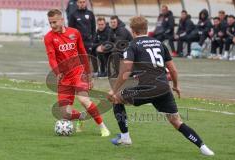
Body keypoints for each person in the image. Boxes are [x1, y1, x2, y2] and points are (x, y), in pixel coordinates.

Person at [107, 16, 214, 156]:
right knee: (177, 122)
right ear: (146, 29)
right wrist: (176, 86)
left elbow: (125, 71)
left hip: (145, 89)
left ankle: (125, 137)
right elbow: (173, 70)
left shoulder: (132, 45)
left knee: (116, 99)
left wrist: (113, 90)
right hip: (163, 89)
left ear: (132, 31)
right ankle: (203, 147)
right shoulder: (160, 43)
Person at [44, 9, 110, 137]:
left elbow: (83, 54)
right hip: (63, 77)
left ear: (62, 20)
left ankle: (103, 128)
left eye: (54, 22)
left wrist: (89, 75)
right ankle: (81, 116)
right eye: (50, 23)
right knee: (65, 114)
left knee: (83, 99)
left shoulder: (74, 33)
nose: (52, 26)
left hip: (78, 72)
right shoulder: (48, 38)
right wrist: (57, 72)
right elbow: (51, 58)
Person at [68, 0, 98, 76]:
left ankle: (89, 73)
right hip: (78, 41)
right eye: (80, 2)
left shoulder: (90, 14)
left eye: (83, 2)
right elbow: (70, 29)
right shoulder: (73, 14)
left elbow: (94, 28)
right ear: (77, 3)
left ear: (86, 3)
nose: (82, 4)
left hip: (88, 41)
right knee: (78, 57)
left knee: (88, 57)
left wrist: (93, 40)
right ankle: (78, 73)